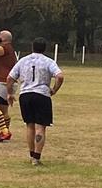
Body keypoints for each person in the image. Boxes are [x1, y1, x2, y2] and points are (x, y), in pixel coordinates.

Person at [6, 37, 65, 166]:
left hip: (25, 95)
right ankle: (36, 158)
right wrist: (54, 89)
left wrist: (10, 93)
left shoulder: (23, 61)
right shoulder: (48, 61)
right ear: (44, 49)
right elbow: (60, 76)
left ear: (32, 47)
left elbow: (10, 78)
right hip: (41, 95)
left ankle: (32, 153)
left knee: (29, 125)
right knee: (40, 127)